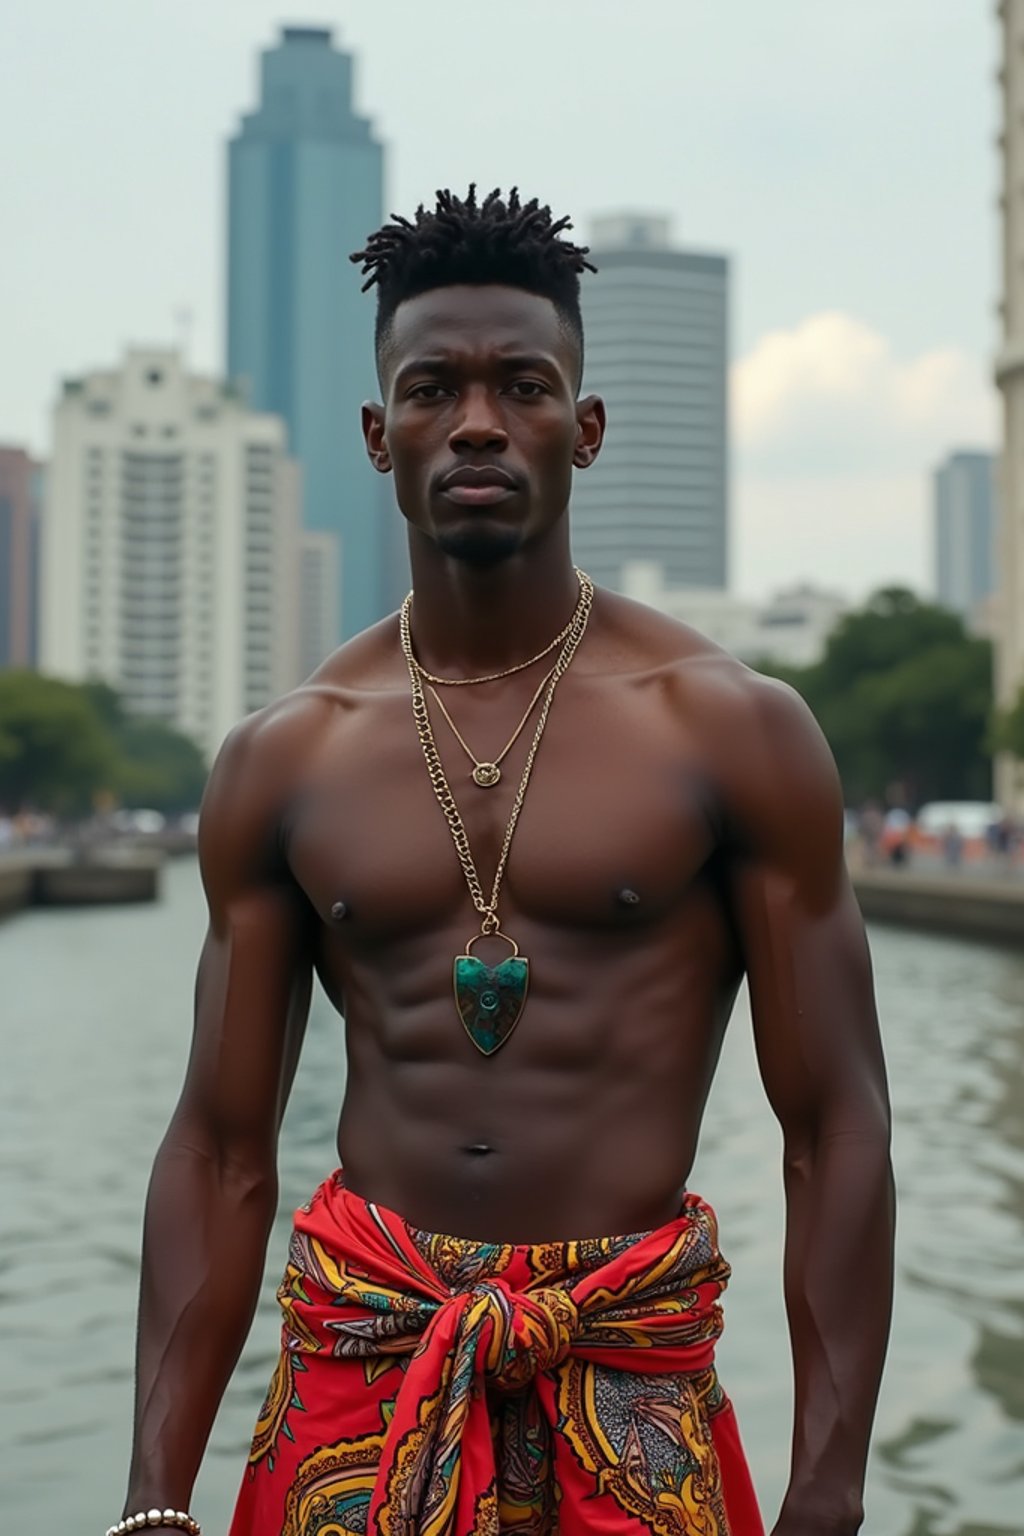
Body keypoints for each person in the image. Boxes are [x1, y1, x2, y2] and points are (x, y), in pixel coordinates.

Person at [115, 187, 894, 1536]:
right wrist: (149, 1497)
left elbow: (837, 1129)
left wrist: (828, 1493)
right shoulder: (286, 758)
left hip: (625, 1369)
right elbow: (222, 1146)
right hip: (364, 1362)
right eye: (434, 388)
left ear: (582, 429)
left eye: (522, 385)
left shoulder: (731, 729)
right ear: (380, 434)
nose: (478, 420)